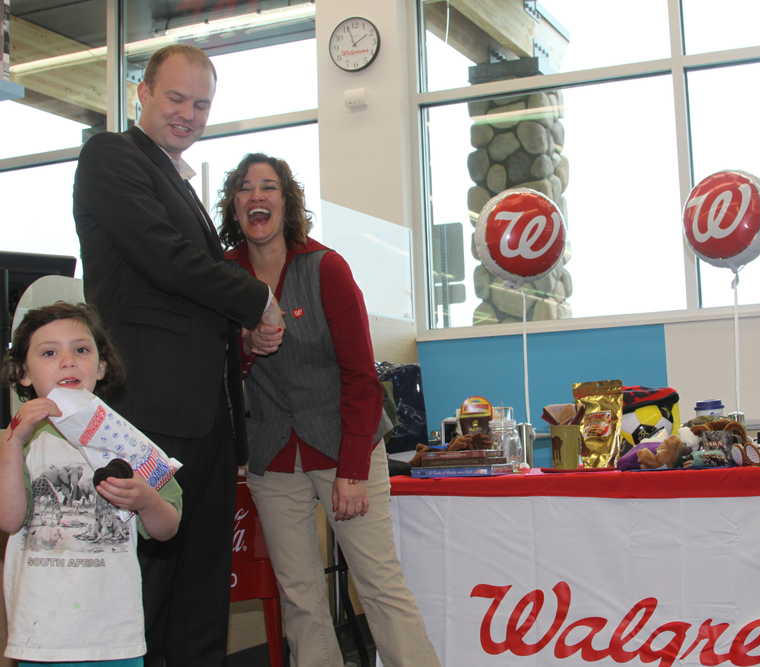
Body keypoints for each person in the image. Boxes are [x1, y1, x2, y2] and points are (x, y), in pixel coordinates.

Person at [72, 44, 284, 667]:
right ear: (141, 91)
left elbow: (185, 290)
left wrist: (238, 333)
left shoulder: (179, 179)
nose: (189, 113)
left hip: (207, 421)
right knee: (151, 584)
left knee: (201, 590)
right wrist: (255, 301)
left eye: (202, 103)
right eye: (176, 98)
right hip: (149, 417)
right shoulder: (111, 156)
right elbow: (164, 256)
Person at [218, 153, 441, 667]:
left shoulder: (326, 268)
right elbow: (216, 369)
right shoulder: (223, 276)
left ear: (286, 201)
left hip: (347, 449)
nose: (257, 196)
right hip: (272, 458)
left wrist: (353, 472)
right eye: (246, 188)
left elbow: (363, 379)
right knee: (300, 599)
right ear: (234, 205)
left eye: (268, 187)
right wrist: (247, 346)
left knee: (380, 587)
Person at [0, 302, 183, 665]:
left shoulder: (129, 442)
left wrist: (146, 501)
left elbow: (168, 527)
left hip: (114, 636)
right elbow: (8, 519)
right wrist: (14, 442)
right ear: (23, 373)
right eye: (49, 352)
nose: (68, 360)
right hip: (41, 637)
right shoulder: (17, 442)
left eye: (81, 350)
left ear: (101, 366)